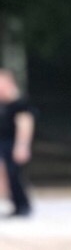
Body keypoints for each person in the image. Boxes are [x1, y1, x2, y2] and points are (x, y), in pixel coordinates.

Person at [0, 68, 35, 218]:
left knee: (15, 175)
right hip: (4, 142)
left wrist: (22, 145)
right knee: (8, 176)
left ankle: (23, 205)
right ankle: (16, 203)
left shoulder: (19, 103)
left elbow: (25, 125)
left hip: (13, 143)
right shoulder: (4, 103)